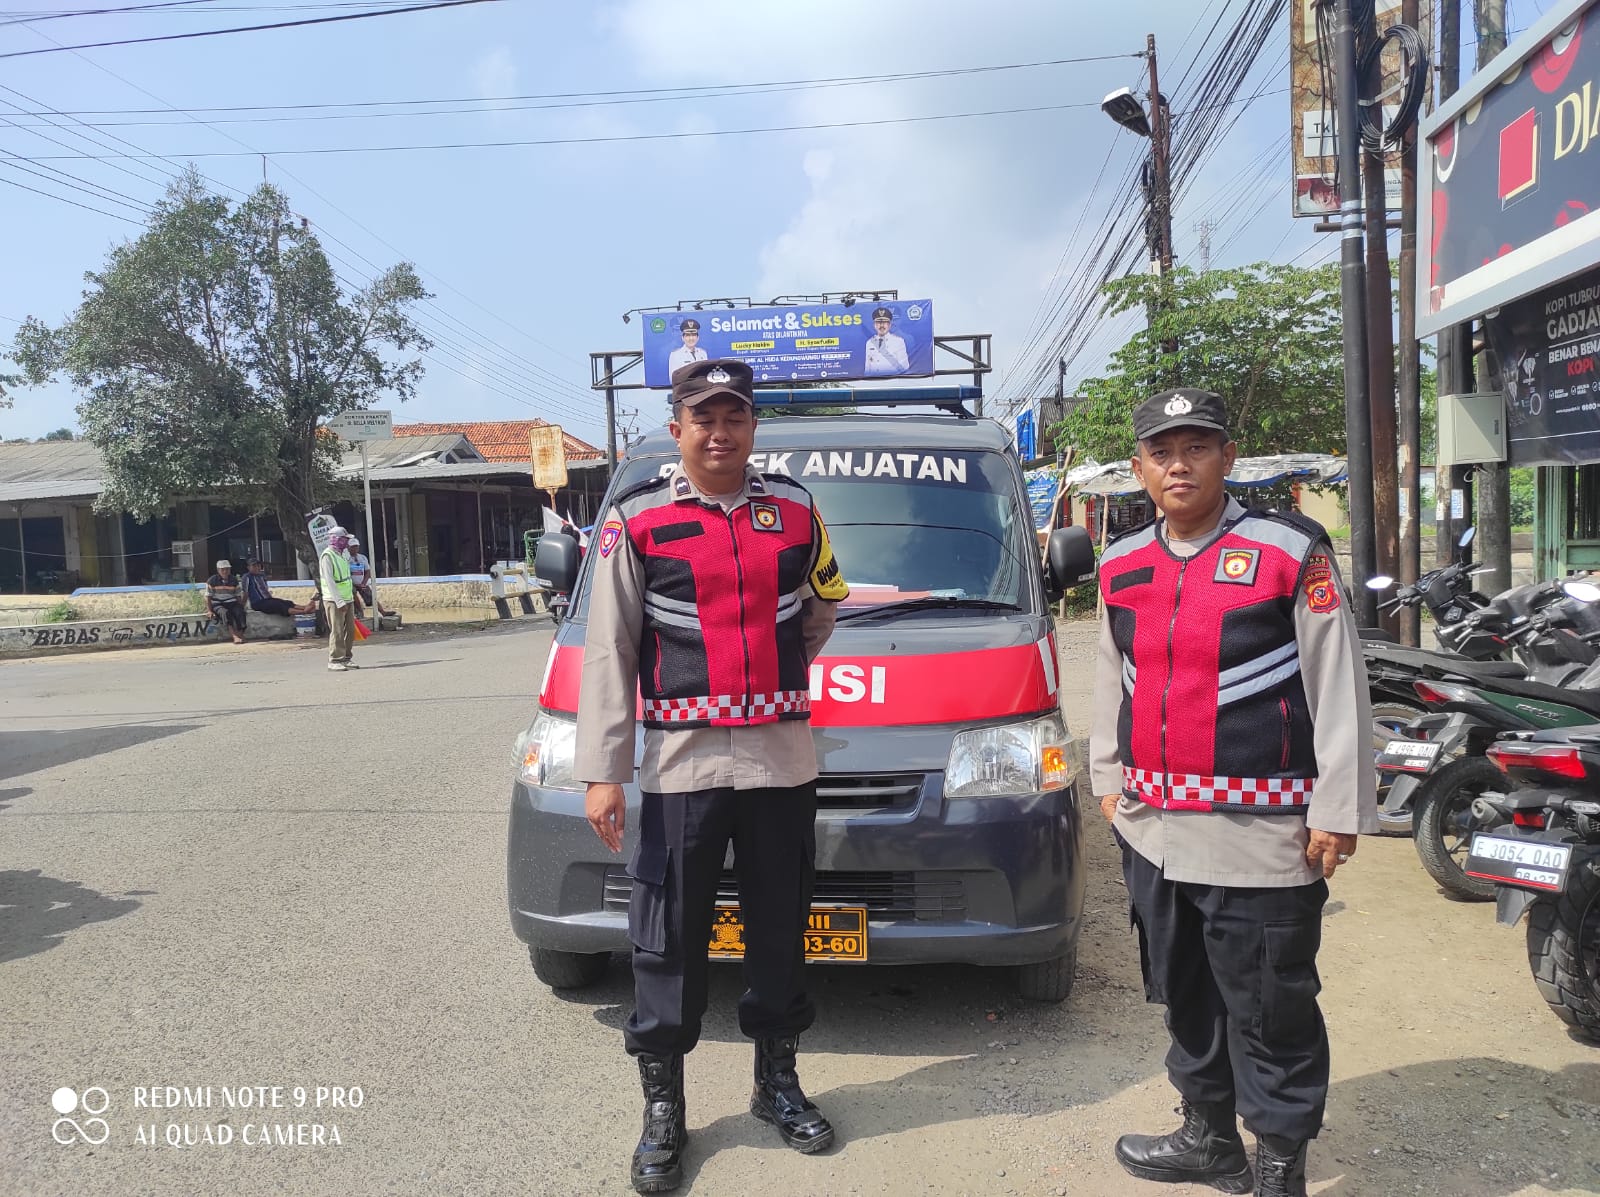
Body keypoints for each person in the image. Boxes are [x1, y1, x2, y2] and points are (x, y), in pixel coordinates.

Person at [1088, 389, 1376, 1197]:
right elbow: (1111, 675)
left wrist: (1339, 807)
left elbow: (1337, 682)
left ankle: (1279, 1164)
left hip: (1261, 835)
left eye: (1197, 447)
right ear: (1140, 467)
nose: (1178, 465)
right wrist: (1108, 781)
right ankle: (1209, 1137)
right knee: (1184, 993)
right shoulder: (1121, 563)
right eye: (1162, 451)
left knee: (1270, 1006)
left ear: (1228, 457)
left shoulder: (1290, 550)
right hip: (1153, 832)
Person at [573, 358, 849, 1194]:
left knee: (780, 924)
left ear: (754, 425)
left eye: (735, 416)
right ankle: (665, 1108)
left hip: (779, 759)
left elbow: (822, 607)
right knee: (668, 938)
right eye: (705, 417)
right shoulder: (637, 518)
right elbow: (610, 648)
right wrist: (603, 770)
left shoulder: (795, 509)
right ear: (677, 428)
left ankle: (777, 1081)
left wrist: (769, 676)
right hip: (681, 765)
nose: (720, 432)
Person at [319, 528, 362, 672]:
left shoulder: (342, 555)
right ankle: (335, 659)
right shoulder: (327, 556)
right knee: (337, 630)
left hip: (347, 597)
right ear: (336, 539)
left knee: (350, 630)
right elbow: (329, 580)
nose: (347, 542)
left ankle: (346, 657)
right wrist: (339, 601)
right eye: (344, 539)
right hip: (334, 599)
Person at [243, 557, 315, 617]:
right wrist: (242, 606)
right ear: (248, 567)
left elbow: (265, 589)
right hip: (258, 603)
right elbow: (245, 593)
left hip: (267, 599)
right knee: (279, 605)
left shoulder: (261, 576)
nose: (257, 568)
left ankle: (305, 607)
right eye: (254, 566)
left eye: (258, 566)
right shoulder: (247, 577)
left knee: (285, 602)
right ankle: (304, 612)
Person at [205, 558, 247, 645]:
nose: (225, 571)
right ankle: (234, 636)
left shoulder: (234, 580)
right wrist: (209, 610)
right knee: (225, 613)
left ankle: (240, 634)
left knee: (240, 612)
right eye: (222, 569)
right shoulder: (212, 580)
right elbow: (208, 597)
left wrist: (241, 606)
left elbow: (238, 595)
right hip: (218, 603)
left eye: (227, 569)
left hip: (231, 602)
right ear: (218, 570)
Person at [862, 306, 910, 375]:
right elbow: (867, 368)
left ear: (889, 325)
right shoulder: (870, 342)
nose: (882, 326)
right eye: (879, 322)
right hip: (874, 380)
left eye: (885, 322)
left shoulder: (899, 342)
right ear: (874, 325)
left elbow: (904, 366)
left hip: (892, 380)